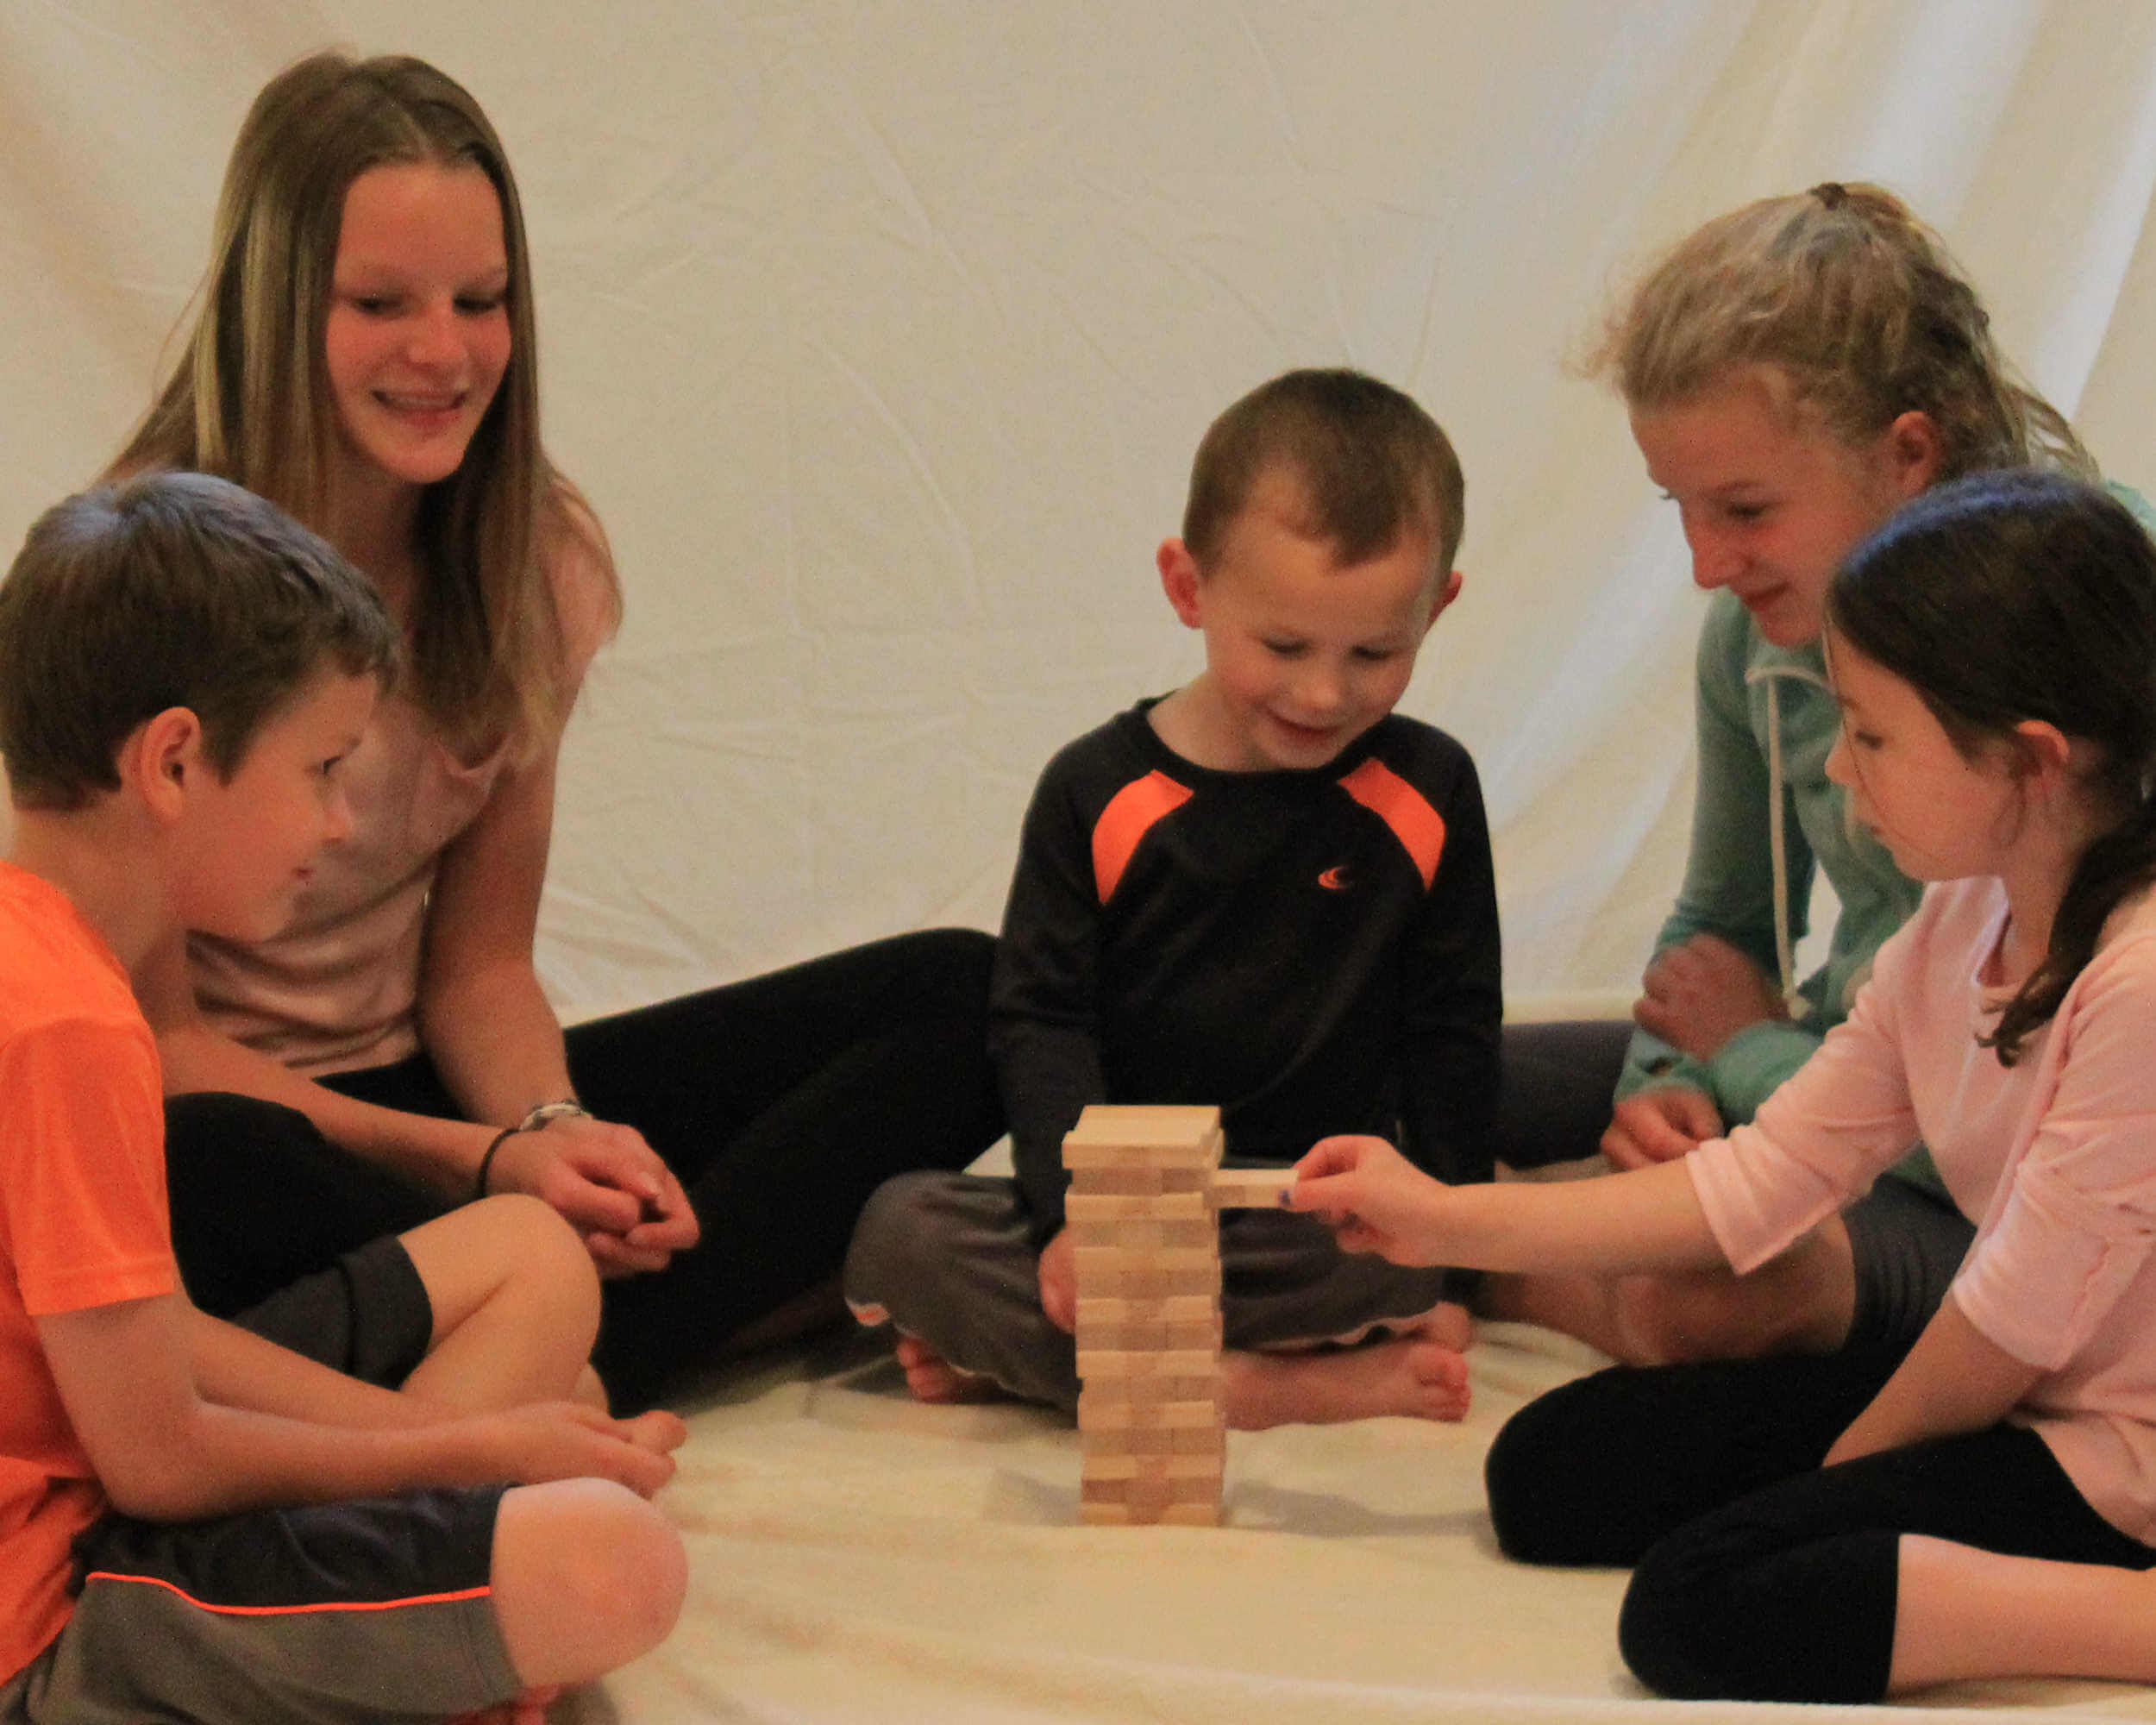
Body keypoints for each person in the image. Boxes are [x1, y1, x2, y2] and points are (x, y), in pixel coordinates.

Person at [114, 50, 1005, 1414]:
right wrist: (475, 1168)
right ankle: (602, 1324)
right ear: (279, 304)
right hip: (239, 1128)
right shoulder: (139, 576)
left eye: (481, 301)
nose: (444, 352)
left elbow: (477, 969)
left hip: (423, 1115)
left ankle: (539, 1329)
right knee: (205, 1157)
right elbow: (154, 1046)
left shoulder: (536, 557)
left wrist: (559, 1133)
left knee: (968, 992)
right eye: (379, 303)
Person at [1294, 470, 2156, 1703]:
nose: (1844, 780)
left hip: (2121, 1454)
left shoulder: (2141, 977)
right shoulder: (1963, 917)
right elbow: (1762, 1179)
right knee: (1551, 1474)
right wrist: (1440, 1213)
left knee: (1699, 1608)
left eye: (1871, 736)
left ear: (2029, 762)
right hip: (2029, 1396)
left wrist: (1838, 1487)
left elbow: (2014, 1320)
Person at [0, 472, 686, 1724]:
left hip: (108, 1475)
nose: (338, 819)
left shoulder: (34, 959)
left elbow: (134, 1348)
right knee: (613, 1561)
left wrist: (449, 1459)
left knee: (549, 1321)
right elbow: (156, 1459)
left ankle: (436, 1623)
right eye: (321, 768)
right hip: (55, 1633)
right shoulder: (70, 1024)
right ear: (173, 761)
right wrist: (469, 1458)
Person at [1489, 181, 2154, 1368]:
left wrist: (1748, 1058)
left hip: (1991, 1161)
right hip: (1839, 1074)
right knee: (1437, 1069)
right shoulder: (1753, 643)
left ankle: (1498, 1267)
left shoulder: (2096, 604)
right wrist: (1666, 1090)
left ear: (1909, 455)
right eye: (1680, 513)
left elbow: (2000, 1104)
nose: (1705, 565)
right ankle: (1474, 1221)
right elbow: (1718, 927)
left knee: (1706, 1292)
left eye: (1744, 510)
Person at [844, 368, 1501, 1427]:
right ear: (1189, 588)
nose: (1325, 693)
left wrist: (1455, 1268)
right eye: (1283, 645)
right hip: (1127, 1213)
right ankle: (1249, 1384)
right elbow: (1042, 1021)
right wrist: (1072, 1222)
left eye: (1376, 651)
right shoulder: (1093, 788)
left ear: (1440, 605)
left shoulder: (1430, 786)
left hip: (1310, 1211)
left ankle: (1086, 1370)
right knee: (900, 1228)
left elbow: (1453, 1031)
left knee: (1424, 1246)